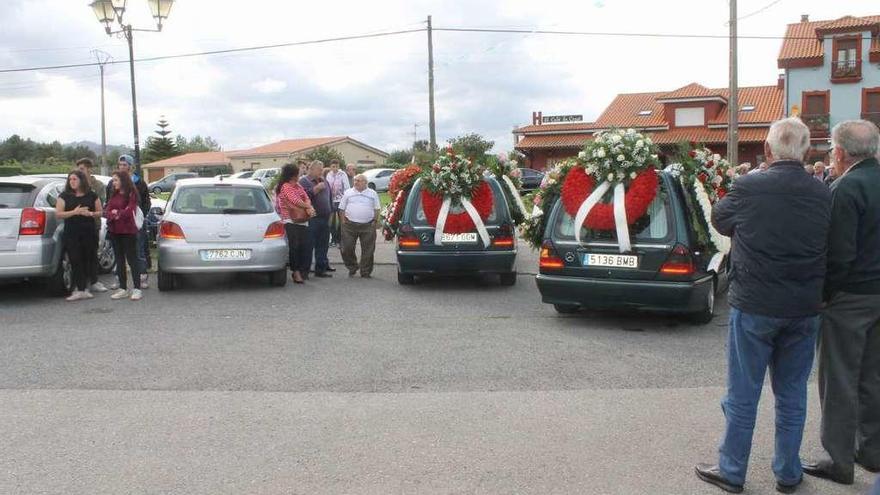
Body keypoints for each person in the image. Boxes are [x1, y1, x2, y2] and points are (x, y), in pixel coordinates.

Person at [695, 117, 831, 494]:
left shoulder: (749, 185)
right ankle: (788, 472)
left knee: (744, 391)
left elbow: (720, 220)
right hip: (804, 307)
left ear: (768, 150)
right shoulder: (822, 191)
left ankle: (732, 469)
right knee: (792, 392)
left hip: (755, 303)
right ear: (805, 151)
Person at [803, 120, 880, 485]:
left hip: (852, 295)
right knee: (872, 376)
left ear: (840, 152)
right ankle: (872, 450)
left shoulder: (845, 188)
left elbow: (839, 254)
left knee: (839, 380)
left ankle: (839, 460)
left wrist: (825, 296)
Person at [55, 170, 103, 301]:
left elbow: (100, 211)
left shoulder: (91, 195)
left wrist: (91, 214)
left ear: (81, 180)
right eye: (70, 179)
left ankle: (87, 286)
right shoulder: (64, 196)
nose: (72, 182)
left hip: (88, 231)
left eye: (75, 179)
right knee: (75, 259)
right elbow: (58, 214)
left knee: (89, 258)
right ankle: (80, 289)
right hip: (72, 233)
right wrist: (74, 212)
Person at [106, 154, 150, 289]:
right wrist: (112, 214)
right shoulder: (111, 183)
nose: (122, 167)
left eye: (125, 165)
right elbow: (109, 203)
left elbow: (145, 203)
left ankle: (141, 277)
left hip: (133, 224)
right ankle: (119, 279)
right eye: (120, 165)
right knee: (118, 255)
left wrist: (138, 216)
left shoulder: (139, 183)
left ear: (130, 167)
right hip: (116, 226)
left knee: (138, 251)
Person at [105, 170, 143, 301]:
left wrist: (117, 213)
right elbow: (108, 211)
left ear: (122, 180)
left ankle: (137, 288)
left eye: (115, 180)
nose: (113, 182)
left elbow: (129, 211)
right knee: (119, 260)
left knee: (132, 260)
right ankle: (123, 288)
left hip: (128, 231)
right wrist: (115, 213)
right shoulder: (113, 194)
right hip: (115, 231)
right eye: (113, 180)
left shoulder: (131, 194)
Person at [275, 163, 315, 284]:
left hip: (302, 220)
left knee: (304, 246)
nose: (300, 174)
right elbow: (295, 200)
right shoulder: (286, 187)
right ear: (293, 175)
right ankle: (295, 271)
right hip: (291, 220)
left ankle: (302, 270)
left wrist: (308, 206)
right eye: (298, 173)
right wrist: (309, 207)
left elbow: (306, 197)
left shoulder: (298, 186)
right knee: (295, 247)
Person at [75, 158, 108, 293]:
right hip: (77, 224)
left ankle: (94, 281)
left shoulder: (98, 185)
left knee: (92, 253)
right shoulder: (75, 184)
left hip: (93, 224)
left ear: (89, 169)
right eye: (78, 169)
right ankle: (81, 283)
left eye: (82, 169)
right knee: (78, 255)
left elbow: (100, 203)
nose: (79, 172)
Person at [338, 174, 381, 278]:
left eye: (359, 180)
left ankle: (365, 271)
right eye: (355, 180)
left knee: (368, 250)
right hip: (349, 225)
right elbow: (342, 208)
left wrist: (375, 221)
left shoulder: (372, 193)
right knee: (346, 248)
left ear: (365, 183)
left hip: (367, 225)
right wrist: (343, 221)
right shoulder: (348, 192)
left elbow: (377, 208)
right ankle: (352, 267)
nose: (356, 182)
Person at [299, 160, 334, 277]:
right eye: (319, 169)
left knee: (323, 245)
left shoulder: (325, 181)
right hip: (311, 218)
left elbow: (329, 198)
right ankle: (304, 271)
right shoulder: (303, 181)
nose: (321, 171)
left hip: (325, 218)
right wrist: (315, 189)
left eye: (322, 169)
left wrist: (331, 211)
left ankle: (321, 269)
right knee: (308, 245)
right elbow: (301, 198)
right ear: (311, 169)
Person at [326, 159, 350, 247]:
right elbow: (327, 186)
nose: (334, 168)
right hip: (331, 200)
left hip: (341, 200)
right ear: (330, 167)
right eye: (333, 166)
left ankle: (339, 239)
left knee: (341, 221)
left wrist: (345, 199)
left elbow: (347, 187)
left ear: (338, 166)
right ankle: (333, 239)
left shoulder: (343, 174)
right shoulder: (329, 174)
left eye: (336, 166)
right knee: (331, 221)